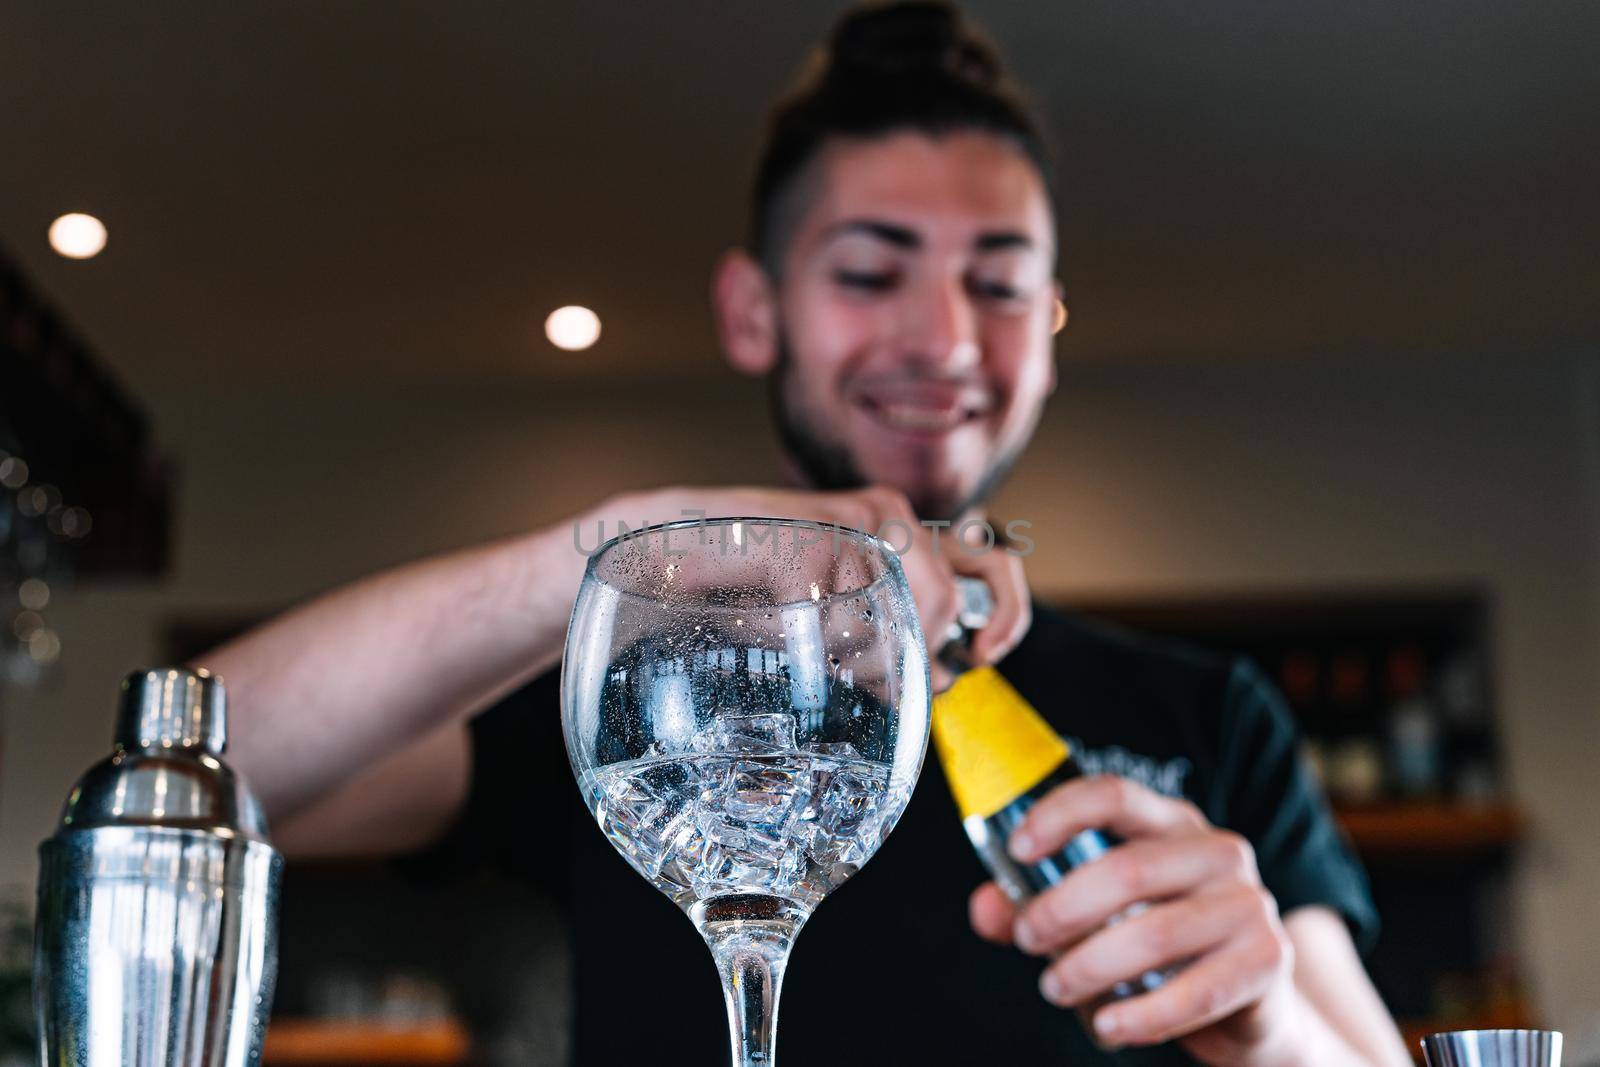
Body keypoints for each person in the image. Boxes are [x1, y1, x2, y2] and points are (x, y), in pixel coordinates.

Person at [203, 4, 1411, 1066]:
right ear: (752, 310)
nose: (942, 338)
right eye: (871, 272)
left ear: (1046, 328)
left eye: (997, 283)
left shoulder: (1207, 716)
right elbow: (198, 772)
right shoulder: (633, 688)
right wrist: (619, 548)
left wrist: (1273, 1030)